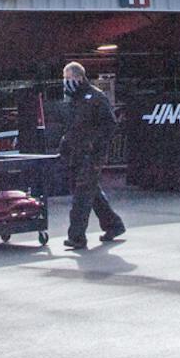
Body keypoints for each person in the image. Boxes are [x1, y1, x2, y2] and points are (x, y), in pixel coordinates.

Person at [58, 62, 123, 249]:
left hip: (92, 155)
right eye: (64, 79)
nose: (66, 82)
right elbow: (72, 127)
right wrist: (65, 145)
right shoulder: (73, 100)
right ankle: (114, 225)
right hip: (76, 154)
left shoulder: (96, 97)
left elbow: (110, 125)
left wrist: (95, 145)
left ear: (79, 77)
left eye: (68, 78)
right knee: (91, 191)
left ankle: (76, 236)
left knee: (82, 195)